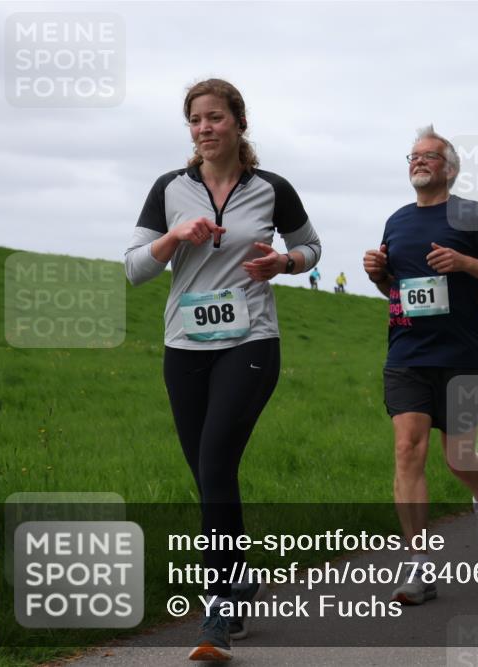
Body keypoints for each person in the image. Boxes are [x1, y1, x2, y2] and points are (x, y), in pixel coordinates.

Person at [125, 78, 321, 662]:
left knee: (214, 462)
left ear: (238, 122)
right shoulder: (169, 189)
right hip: (184, 346)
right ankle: (238, 578)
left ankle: (218, 612)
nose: (204, 128)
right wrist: (173, 237)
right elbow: (134, 268)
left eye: (214, 117)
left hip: (250, 341)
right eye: (194, 120)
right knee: (210, 473)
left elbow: (312, 247)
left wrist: (284, 261)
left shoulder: (271, 189)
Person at [362, 125, 478, 605]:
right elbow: (396, 291)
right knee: (407, 450)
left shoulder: (471, 215)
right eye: (412, 156)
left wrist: (466, 263)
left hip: (462, 356)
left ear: (449, 168)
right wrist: (378, 275)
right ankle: (418, 566)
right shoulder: (396, 221)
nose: (418, 162)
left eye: (428, 156)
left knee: (459, 458)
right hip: (408, 353)